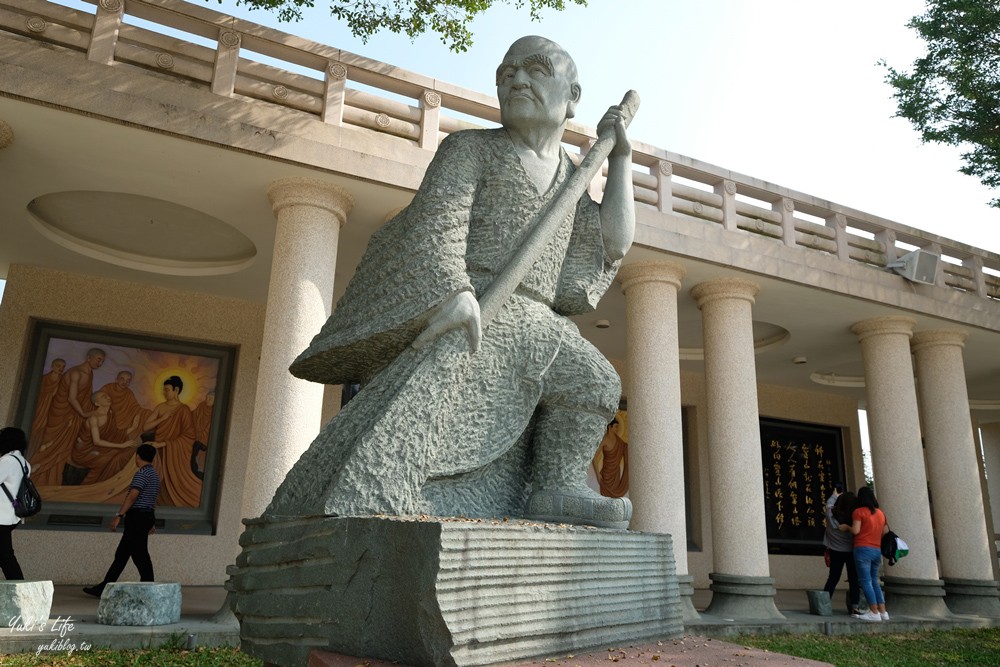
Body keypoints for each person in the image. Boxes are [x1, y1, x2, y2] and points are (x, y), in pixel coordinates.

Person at [267, 35, 635, 528]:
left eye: (535, 70)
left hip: (539, 319)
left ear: (572, 97)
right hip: (481, 301)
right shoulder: (470, 149)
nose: (516, 79)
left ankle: (556, 484)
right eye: (506, 73)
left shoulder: (573, 176)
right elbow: (436, 224)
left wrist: (621, 160)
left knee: (596, 381)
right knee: (414, 429)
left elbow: (613, 242)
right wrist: (452, 291)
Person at [83, 443, 160, 597]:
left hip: (137, 517)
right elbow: (152, 499)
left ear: (137, 456)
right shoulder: (154, 475)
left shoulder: (141, 474)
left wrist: (119, 515)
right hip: (146, 515)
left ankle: (148, 586)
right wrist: (150, 521)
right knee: (122, 554)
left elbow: (133, 496)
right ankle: (105, 586)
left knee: (139, 554)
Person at [30, 348, 105, 485]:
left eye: (102, 361)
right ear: (89, 357)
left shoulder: (90, 373)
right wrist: (83, 413)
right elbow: (72, 398)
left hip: (74, 416)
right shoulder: (76, 373)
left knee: (66, 449)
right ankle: (32, 474)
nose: (100, 363)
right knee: (51, 446)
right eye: (98, 359)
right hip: (62, 415)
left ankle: (53, 482)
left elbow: (86, 397)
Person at [142, 376, 200, 507]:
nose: (165, 393)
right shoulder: (161, 407)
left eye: (167, 390)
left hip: (173, 451)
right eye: (164, 390)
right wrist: (162, 419)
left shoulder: (183, 410)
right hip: (156, 446)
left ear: (176, 390)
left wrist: (163, 444)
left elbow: (189, 436)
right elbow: (145, 427)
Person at [851, 485, 889, 621]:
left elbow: (855, 530)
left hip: (862, 548)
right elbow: (885, 532)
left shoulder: (859, 512)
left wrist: (846, 527)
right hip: (876, 550)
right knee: (874, 581)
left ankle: (873, 612)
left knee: (865, 581)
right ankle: (883, 611)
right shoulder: (880, 513)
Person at [823, 490, 860, 615]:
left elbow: (829, 504)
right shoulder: (855, 519)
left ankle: (824, 604)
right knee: (853, 579)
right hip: (851, 552)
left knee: (833, 578)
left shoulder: (830, 514)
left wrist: (835, 494)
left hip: (836, 551)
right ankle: (855, 606)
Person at [0, 427, 29, 580]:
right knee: (5, 555)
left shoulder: (7, 461)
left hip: (1, 516)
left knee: (6, 557)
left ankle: (20, 588)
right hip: (12, 516)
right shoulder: (25, 463)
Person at [27, 358, 65, 458]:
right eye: (58, 366)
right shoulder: (44, 379)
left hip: (54, 409)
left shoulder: (63, 381)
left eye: (63, 367)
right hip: (42, 407)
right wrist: (50, 394)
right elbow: (38, 394)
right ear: (52, 366)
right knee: (37, 427)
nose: (61, 368)